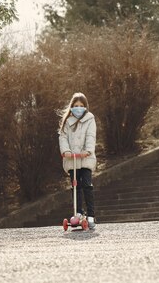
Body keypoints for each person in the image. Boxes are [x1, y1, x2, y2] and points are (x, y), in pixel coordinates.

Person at [59, 92, 97, 229]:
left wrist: (88, 150)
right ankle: (78, 212)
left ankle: (91, 215)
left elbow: (91, 136)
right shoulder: (67, 122)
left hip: (85, 158)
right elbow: (62, 137)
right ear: (71, 107)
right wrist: (66, 151)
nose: (78, 108)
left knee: (87, 185)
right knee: (76, 186)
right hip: (72, 160)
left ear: (85, 107)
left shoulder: (90, 119)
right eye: (76, 106)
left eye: (81, 106)